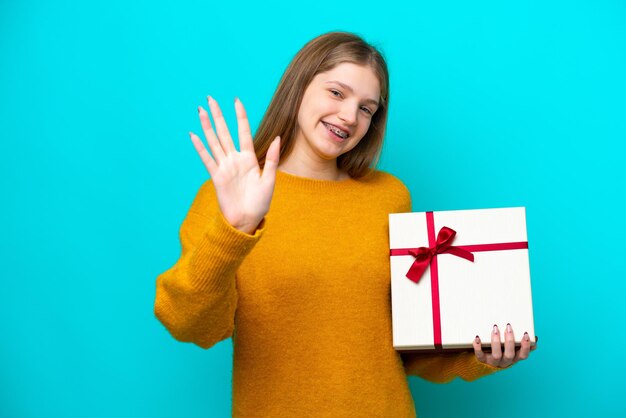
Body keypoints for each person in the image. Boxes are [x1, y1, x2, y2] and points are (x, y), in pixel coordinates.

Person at [154, 31, 536, 417]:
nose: (350, 117)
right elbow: (190, 325)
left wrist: (483, 355)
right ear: (299, 85)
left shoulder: (388, 198)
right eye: (337, 93)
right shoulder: (229, 197)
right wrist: (237, 229)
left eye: (367, 109)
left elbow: (409, 345)